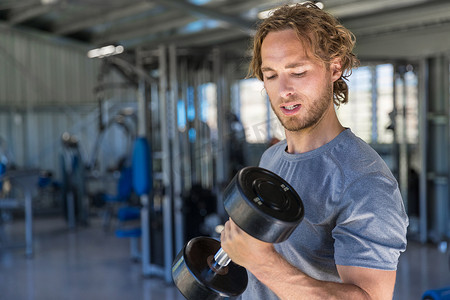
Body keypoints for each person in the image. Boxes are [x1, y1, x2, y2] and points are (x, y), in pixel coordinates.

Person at [220, 2, 408, 299]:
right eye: (270, 75)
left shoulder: (364, 181)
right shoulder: (272, 158)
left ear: (335, 67)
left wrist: (262, 261)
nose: (283, 90)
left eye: (297, 71)